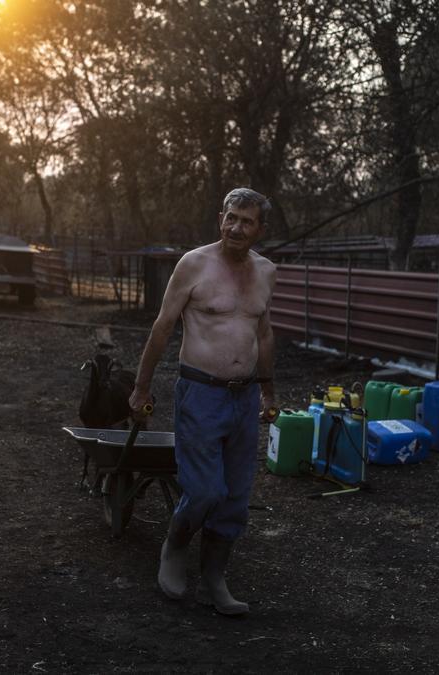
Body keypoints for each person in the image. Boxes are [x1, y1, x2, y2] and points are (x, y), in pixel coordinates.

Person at [129, 187, 279, 616]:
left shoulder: (267, 272)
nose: (236, 227)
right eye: (231, 217)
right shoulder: (194, 264)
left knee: (234, 498)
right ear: (220, 218)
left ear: (259, 229)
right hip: (201, 393)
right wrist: (141, 387)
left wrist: (268, 390)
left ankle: (214, 578)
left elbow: (264, 334)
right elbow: (162, 328)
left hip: (245, 398)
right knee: (205, 491)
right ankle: (174, 546)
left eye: (246, 221)